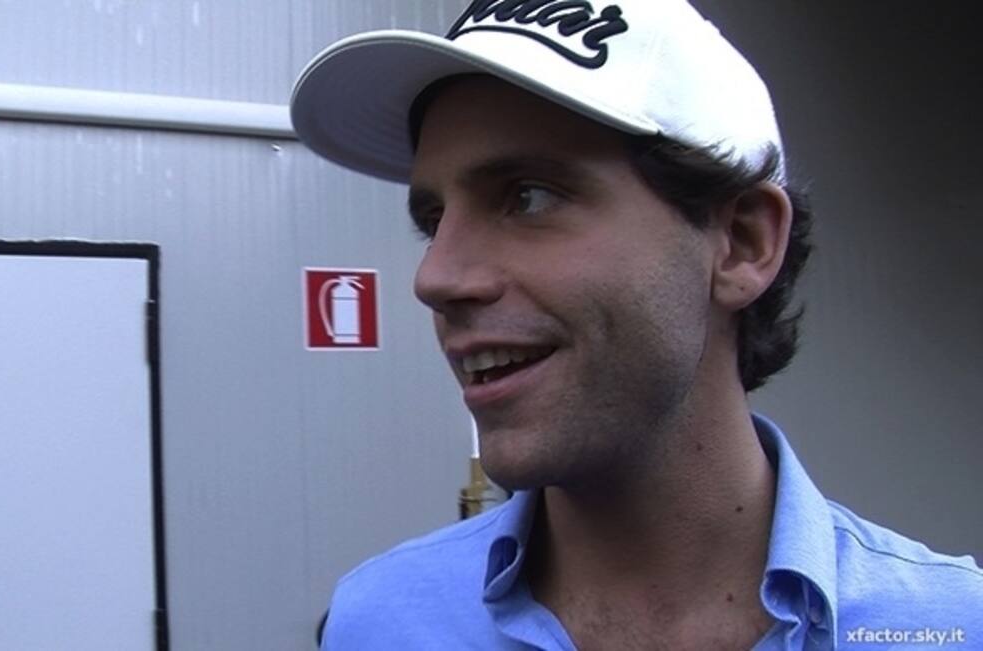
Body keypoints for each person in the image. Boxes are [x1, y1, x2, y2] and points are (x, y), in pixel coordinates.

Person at [290, 1, 983, 649]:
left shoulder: (950, 626)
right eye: (434, 220)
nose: (435, 278)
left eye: (528, 197)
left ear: (742, 242)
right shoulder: (380, 621)